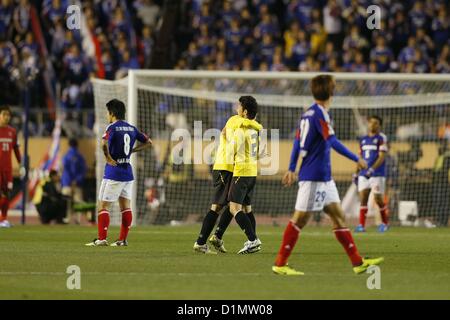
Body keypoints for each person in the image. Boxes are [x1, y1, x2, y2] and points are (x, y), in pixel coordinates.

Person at [272, 75, 384, 276]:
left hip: (324, 177)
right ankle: (280, 263)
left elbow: (297, 143)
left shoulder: (307, 113)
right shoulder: (320, 114)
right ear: (330, 91)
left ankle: (358, 262)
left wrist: (291, 167)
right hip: (314, 175)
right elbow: (331, 141)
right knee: (300, 219)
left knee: (339, 217)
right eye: (334, 87)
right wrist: (355, 158)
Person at [193, 96, 262, 254]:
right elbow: (250, 123)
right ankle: (202, 242)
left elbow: (240, 127)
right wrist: (258, 125)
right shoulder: (241, 122)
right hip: (227, 166)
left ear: (244, 111)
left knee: (233, 204)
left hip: (230, 166)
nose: (237, 108)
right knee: (222, 206)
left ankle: (216, 238)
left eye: (239, 106)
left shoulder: (237, 121)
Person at [85, 99, 152, 247]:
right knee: (125, 207)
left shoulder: (112, 127)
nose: (107, 115)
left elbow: (103, 143)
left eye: (108, 112)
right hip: (127, 172)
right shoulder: (132, 128)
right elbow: (148, 143)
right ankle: (122, 240)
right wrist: (133, 151)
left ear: (112, 113)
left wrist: (108, 157)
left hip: (114, 173)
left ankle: (102, 239)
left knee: (103, 206)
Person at [355, 115, 389, 233]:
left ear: (379, 125)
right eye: (371, 122)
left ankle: (384, 223)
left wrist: (372, 169)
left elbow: (382, 157)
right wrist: (356, 172)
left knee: (378, 199)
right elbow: (360, 157)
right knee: (363, 198)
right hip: (363, 173)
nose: (373, 125)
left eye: (376, 123)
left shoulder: (381, 138)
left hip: (377, 173)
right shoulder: (363, 139)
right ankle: (361, 225)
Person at [0, 105, 21, 228]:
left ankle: (3, 219)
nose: (6, 117)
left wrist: (21, 164)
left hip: (8, 169)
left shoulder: (12, 132)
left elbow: (16, 150)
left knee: (7, 195)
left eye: (8, 115)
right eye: (4, 114)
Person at [61, 138, 87, 224]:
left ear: (69, 145)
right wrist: (76, 180)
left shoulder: (65, 156)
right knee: (78, 202)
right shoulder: (81, 157)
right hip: (77, 184)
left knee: (66, 203)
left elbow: (65, 169)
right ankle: (78, 220)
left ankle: (66, 219)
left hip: (67, 183)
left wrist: (69, 181)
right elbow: (83, 170)